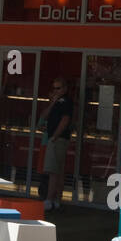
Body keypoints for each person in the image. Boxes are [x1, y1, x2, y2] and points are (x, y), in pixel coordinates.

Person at [39, 77, 74, 211]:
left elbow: (65, 119)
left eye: (58, 88)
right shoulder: (56, 102)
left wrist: (54, 136)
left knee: (53, 171)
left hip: (57, 139)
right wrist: (52, 103)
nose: (55, 91)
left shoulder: (66, 102)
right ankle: (56, 200)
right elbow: (44, 116)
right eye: (54, 88)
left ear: (64, 89)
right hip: (55, 138)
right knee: (57, 171)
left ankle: (49, 200)